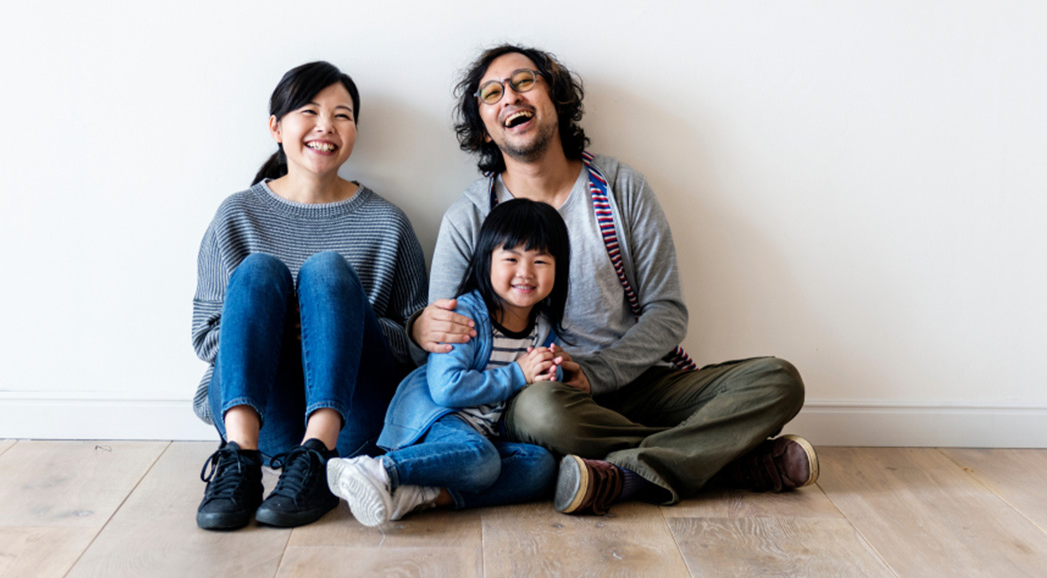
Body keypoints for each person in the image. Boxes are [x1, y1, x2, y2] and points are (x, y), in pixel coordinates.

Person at [409, 44, 817, 514]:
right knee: (541, 413)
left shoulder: (621, 189)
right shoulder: (471, 216)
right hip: (548, 397)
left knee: (778, 380)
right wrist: (421, 327)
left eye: (524, 82)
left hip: (644, 383)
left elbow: (668, 313)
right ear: (483, 129)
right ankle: (728, 459)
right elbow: (443, 332)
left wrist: (600, 373)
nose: (510, 99)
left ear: (555, 96)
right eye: (492, 93)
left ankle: (627, 475)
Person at [189, 61, 427, 530]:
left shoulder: (387, 222)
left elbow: (413, 343)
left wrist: (335, 322)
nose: (326, 126)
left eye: (342, 115)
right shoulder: (238, 214)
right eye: (309, 111)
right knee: (258, 271)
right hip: (262, 419)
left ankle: (317, 458)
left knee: (327, 271)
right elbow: (205, 337)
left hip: (353, 424)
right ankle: (238, 461)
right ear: (276, 127)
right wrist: (279, 328)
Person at [326, 199, 567, 526]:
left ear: (559, 269)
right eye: (511, 258)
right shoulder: (464, 316)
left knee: (541, 466)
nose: (525, 272)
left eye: (540, 261)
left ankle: (418, 495)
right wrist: (518, 373)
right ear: (487, 262)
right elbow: (446, 389)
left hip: (480, 436)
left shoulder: (542, 326)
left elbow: (542, 377)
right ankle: (378, 468)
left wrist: (555, 371)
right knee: (483, 461)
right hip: (437, 421)